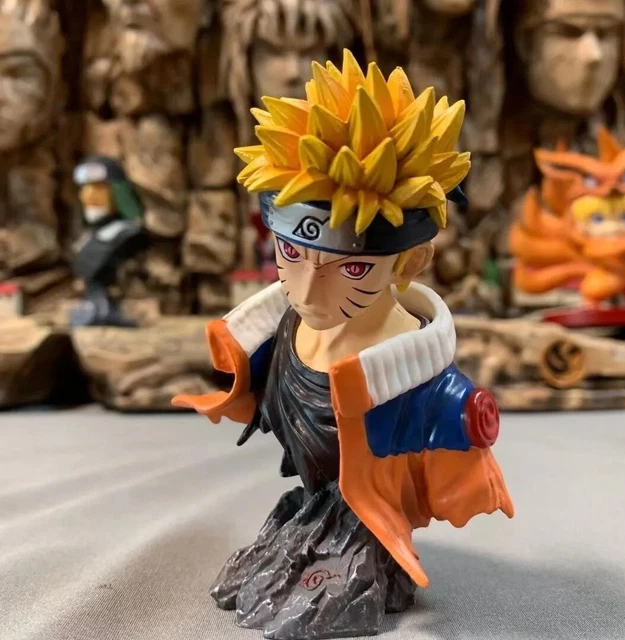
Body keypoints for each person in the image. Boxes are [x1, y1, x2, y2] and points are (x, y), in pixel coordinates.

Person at [173, 50, 514, 640]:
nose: (307, 290)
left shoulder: (426, 388)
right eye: (290, 253)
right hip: (313, 505)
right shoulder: (274, 334)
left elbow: (454, 464)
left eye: (352, 269)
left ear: (410, 261)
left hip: (370, 523)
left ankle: (356, 555)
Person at [70, 155, 147, 327]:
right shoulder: (87, 239)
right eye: (84, 188)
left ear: (119, 193)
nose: (88, 196)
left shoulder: (126, 233)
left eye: (98, 188)